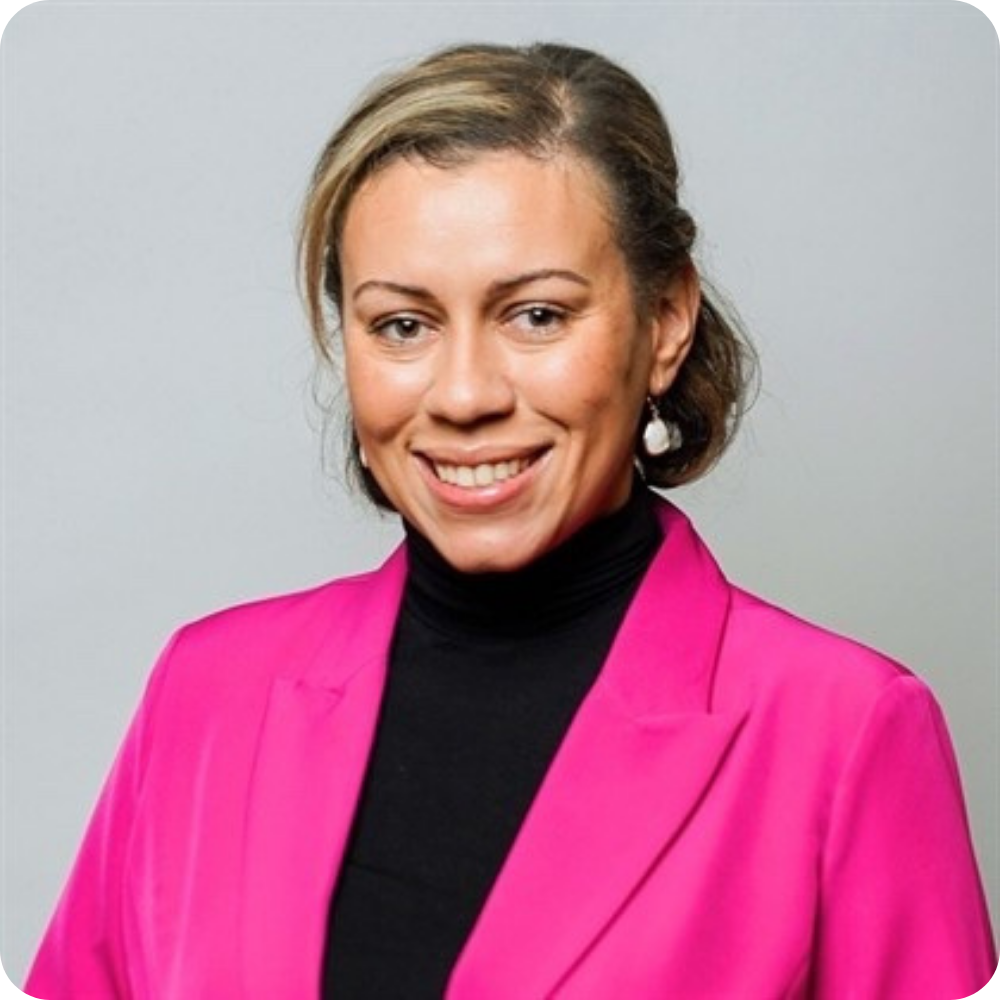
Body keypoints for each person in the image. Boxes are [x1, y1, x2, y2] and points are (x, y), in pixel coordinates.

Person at [24, 41, 995, 1000]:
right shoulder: (205, 688)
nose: (462, 393)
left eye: (535, 315)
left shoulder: (846, 731)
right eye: (403, 324)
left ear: (664, 321)